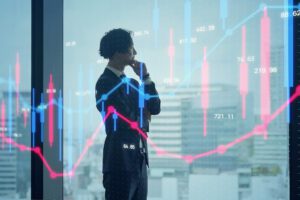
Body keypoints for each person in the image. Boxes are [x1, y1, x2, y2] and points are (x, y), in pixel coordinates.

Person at [95, 28, 161, 200]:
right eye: (132, 49)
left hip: (139, 161)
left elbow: (155, 107)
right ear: (118, 52)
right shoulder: (104, 83)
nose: (136, 53)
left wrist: (145, 77)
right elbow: (125, 120)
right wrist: (143, 115)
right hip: (119, 162)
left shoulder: (132, 82)